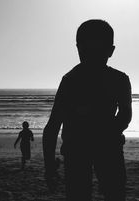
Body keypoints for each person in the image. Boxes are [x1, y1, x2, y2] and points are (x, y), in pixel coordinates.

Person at [43, 19, 132, 201]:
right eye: (88, 50)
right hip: (105, 148)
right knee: (112, 193)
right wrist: (109, 132)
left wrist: (50, 166)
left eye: (96, 51)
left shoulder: (70, 80)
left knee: (84, 194)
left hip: (81, 148)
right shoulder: (118, 79)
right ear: (112, 51)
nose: (92, 56)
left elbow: (52, 128)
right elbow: (125, 116)